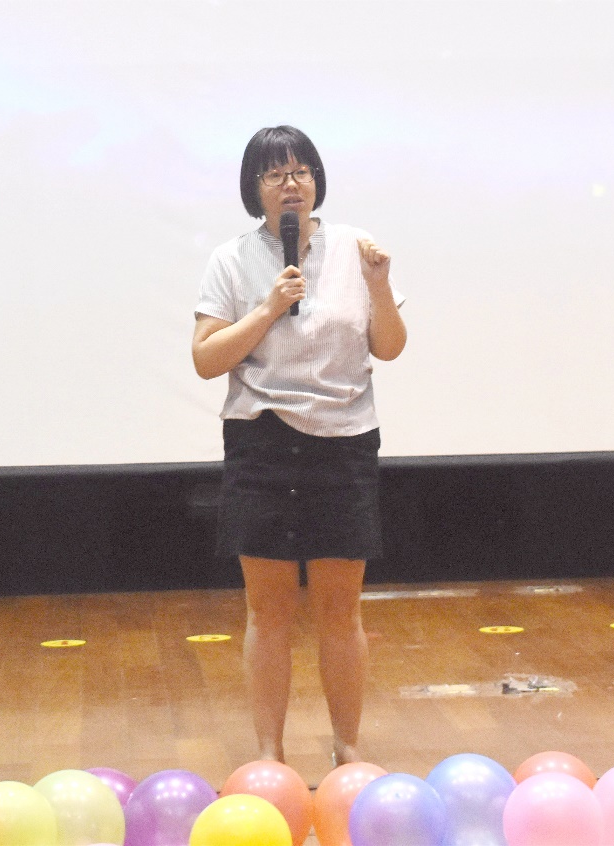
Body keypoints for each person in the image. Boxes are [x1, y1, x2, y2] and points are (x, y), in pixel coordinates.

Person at [191, 125, 407, 765]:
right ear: (254, 188)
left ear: (316, 181)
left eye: (301, 172)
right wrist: (266, 308)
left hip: (343, 443)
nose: (291, 184)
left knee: (341, 611)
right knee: (269, 612)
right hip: (262, 443)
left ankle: (347, 750)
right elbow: (205, 360)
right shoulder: (231, 260)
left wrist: (379, 284)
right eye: (275, 174)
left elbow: (390, 347)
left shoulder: (356, 249)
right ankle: (269, 756)